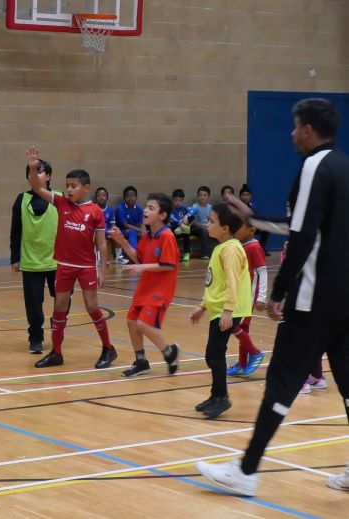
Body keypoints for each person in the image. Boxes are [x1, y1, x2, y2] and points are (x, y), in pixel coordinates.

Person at [196, 98, 349, 495]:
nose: (291, 133)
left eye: (295, 126)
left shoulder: (314, 166)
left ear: (309, 130)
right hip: (345, 299)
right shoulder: (344, 167)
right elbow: (307, 224)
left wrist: (278, 291)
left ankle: (246, 471)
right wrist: (253, 217)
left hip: (312, 300)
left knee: (281, 382)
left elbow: (302, 236)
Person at [26, 146, 117, 370]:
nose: (68, 189)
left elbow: (102, 244)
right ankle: (56, 352)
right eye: (67, 185)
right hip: (64, 265)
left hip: (86, 266)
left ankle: (108, 348)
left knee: (92, 306)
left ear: (86, 188)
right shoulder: (61, 202)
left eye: (73, 186)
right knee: (59, 307)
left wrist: (101, 271)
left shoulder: (95, 212)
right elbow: (37, 187)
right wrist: (32, 166)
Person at [188, 202, 251, 419]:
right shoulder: (220, 248)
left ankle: (221, 396)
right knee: (213, 354)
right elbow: (215, 284)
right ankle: (216, 396)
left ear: (225, 228)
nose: (208, 224)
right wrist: (202, 307)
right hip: (219, 309)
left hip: (229, 310)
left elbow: (233, 283)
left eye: (212, 221)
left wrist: (228, 311)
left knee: (214, 354)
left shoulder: (231, 249)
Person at [109, 193, 180, 377]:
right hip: (145, 287)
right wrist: (122, 241)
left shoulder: (167, 236)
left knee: (143, 324)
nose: (146, 210)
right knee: (132, 321)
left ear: (162, 215)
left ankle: (169, 352)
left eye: (151, 208)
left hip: (161, 289)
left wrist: (142, 267)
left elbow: (167, 265)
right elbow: (138, 257)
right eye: (146, 207)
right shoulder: (147, 236)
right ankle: (141, 362)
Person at [10, 157, 59, 354]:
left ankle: (58, 328)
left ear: (48, 176)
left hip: (57, 261)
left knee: (63, 300)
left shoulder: (60, 197)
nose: (36, 175)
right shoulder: (21, 200)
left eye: (40, 171)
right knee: (34, 304)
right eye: (32, 172)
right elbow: (15, 231)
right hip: (31, 261)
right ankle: (36, 337)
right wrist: (15, 257)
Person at [226, 221, 267, 378]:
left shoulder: (254, 247)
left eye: (240, 227)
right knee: (243, 329)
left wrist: (262, 296)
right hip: (240, 293)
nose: (236, 230)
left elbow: (262, 272)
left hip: (248, 296)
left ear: (252, 230)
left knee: (233, 325)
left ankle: (255, 353)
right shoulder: (241, 246)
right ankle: (242, 363)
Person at [239, 184, 270, 256]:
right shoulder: (238, 206)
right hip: (241, 227)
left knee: (265, 229)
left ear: (250, 196)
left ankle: (262, 249)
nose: (245, 197)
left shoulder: (252, 206)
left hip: (252, 227)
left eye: (247, 195)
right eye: (243, 195)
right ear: (240, 197)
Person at [184, 186, 213, 259]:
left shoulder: (210, 207)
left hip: (207, 227)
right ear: (197, 196)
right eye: (200, 195)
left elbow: (211, 221)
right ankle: (204, 254)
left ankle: (209, 253)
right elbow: (193, 223)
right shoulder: (195, 207)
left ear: (208, 197)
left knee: (206, 230)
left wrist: (208, 226)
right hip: (196, 228)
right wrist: (203, 225)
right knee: (203, 230)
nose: (202, 197)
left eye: (205, 195)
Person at [170, 188, 196, 261]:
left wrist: (186, 216)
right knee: (170, 233)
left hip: (182, 229)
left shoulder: (184, 208)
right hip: (174, 230)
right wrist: (180, 223)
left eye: (180, 200)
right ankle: (173, 254)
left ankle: (187, 253)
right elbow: (172, 218)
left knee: (186, 232)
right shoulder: (171, 209)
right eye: (176, 200)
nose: (178, 202)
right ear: (173, 200)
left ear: (183, 201)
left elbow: (194, 210)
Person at [116, 185, 143, 250]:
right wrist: (139, 230)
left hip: (135, 229)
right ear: (124, 198)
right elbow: (125, 225)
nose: (130, 198)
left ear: (136, 197)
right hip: (122, 230)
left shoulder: (139, 209)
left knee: (145, 235)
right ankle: (134, 254)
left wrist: (143, 231)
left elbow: (142, 224)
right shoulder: (120, 208)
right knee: (132, 232)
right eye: (128, 196)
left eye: (132, 196)